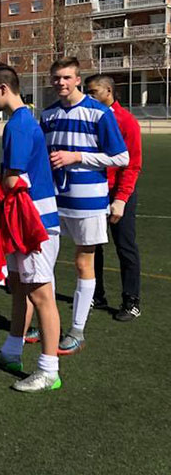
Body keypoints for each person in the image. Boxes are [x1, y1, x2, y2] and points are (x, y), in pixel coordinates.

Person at [0, 64, 62, 393]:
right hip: (24, 218)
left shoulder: (19, 125)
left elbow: (13, 179)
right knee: (20, 288)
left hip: (33, 221)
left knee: (41, 295)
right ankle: (12, 352)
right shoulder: (21, 121)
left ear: (2, 89)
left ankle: (49, 369)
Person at [41, 57, 129, 354]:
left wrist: (77, 157)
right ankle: (47, 322)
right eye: (56, 78)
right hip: (53, 200)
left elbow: (121, 158)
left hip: (88, 201)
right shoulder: (48, 115)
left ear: (78, 79)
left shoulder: (99, 113)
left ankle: (77, 330)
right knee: (44, 264)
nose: (61, 83)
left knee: (82, 263)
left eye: (66, 77)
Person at [84, 74, 143, 321]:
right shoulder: (88, 116)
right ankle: (96, 295)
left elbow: (132, 165)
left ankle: (131, 300)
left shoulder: (126, 121)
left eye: (93, 91)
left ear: (108, 91)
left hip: (119, 193)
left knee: (125, 247)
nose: (88, 96)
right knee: (92, 246)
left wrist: (120, 199)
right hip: (93, 193)